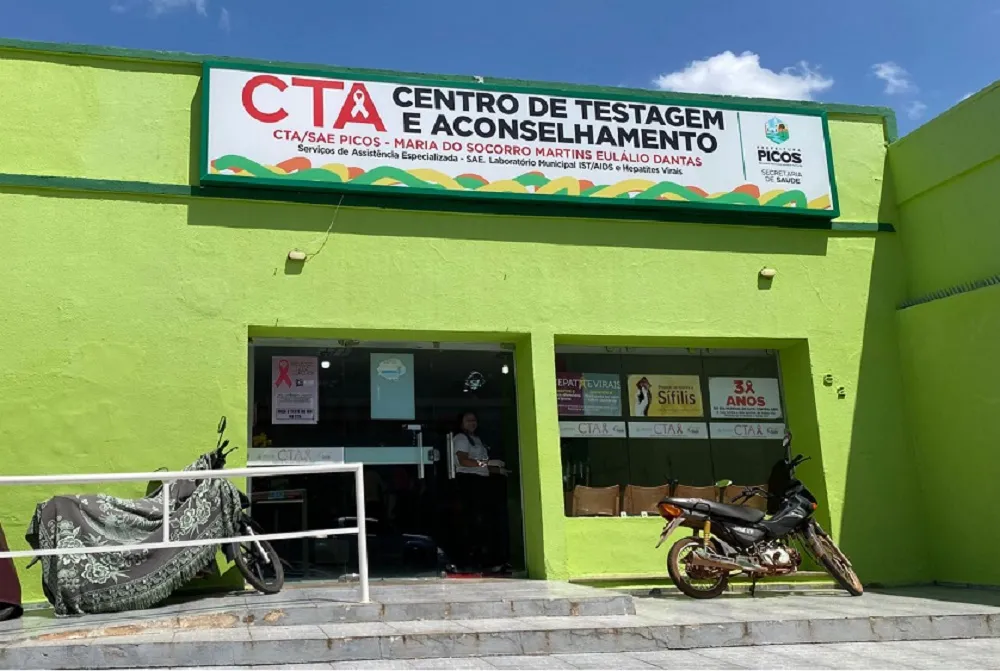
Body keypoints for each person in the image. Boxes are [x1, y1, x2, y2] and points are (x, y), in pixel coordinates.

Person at [451, 411, 509, 573]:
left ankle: (486, 560)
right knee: (474, 522)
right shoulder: (461, 439)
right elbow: (464, 461)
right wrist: (489, 463)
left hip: (481, 482)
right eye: (468, 420)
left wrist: (497, 470)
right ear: (461, 423)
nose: (472, 422)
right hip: (469, 483)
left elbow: (480, 465)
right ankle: (470, 562)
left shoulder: (476, 439)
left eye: (474, 420)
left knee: (485, 522)